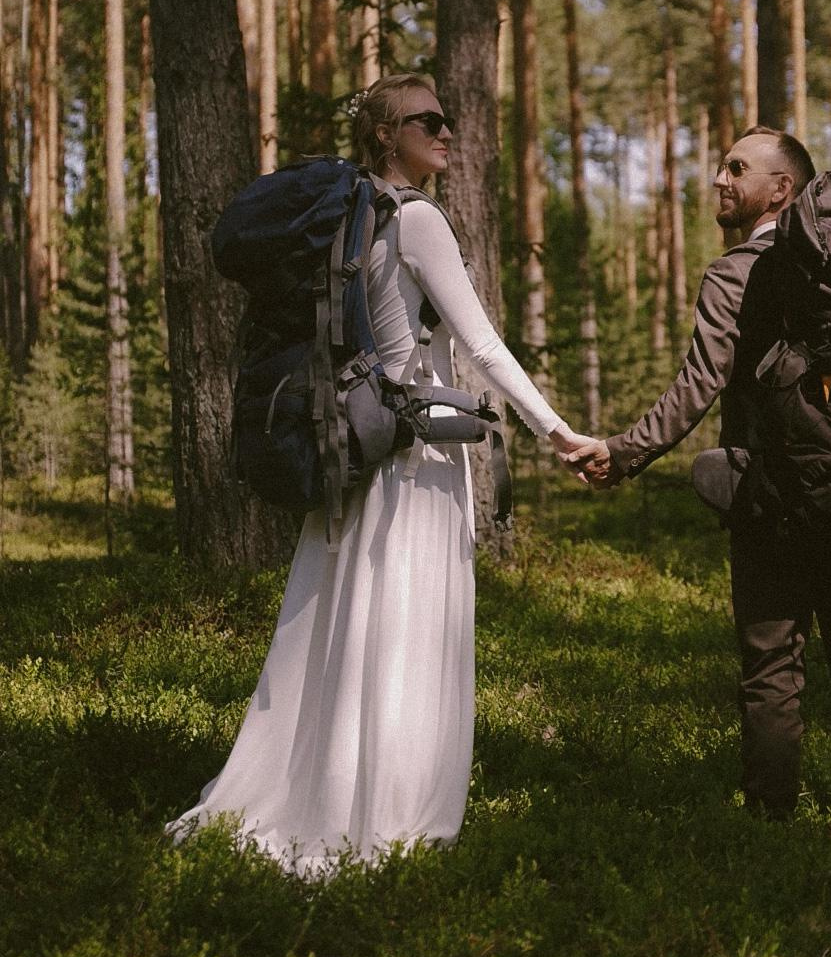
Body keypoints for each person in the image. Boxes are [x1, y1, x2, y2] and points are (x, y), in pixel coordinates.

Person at [169, 73, 591, 874]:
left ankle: (322, 799)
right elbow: (484, 347)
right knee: (406, 638)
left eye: (446, 115)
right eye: (424, 119)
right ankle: (392, 821)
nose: (444, 128)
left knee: (348, 631)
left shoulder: (355, 218)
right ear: (383, 136)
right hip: (418, 461)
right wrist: (560, 433)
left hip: (358, 454)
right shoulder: (417, 217)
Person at [566, 126, 831, 820]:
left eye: (737, 168)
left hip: (771, 489)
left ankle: (769, 826)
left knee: (772, 664)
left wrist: (624, 451)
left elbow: (698, 385)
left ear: (781, 188)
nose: (719, 179)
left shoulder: (734, 272)